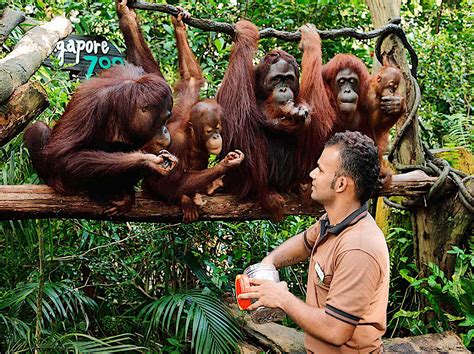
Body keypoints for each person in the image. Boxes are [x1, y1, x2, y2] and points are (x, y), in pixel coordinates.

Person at [239, 130, 389, 353]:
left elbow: (335, 330)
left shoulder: (358, 248)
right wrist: (269, 262)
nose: (312, 174)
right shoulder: (333, 220)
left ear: (340, 184)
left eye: (320, 169)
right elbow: (304, 243)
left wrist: (282, 298)